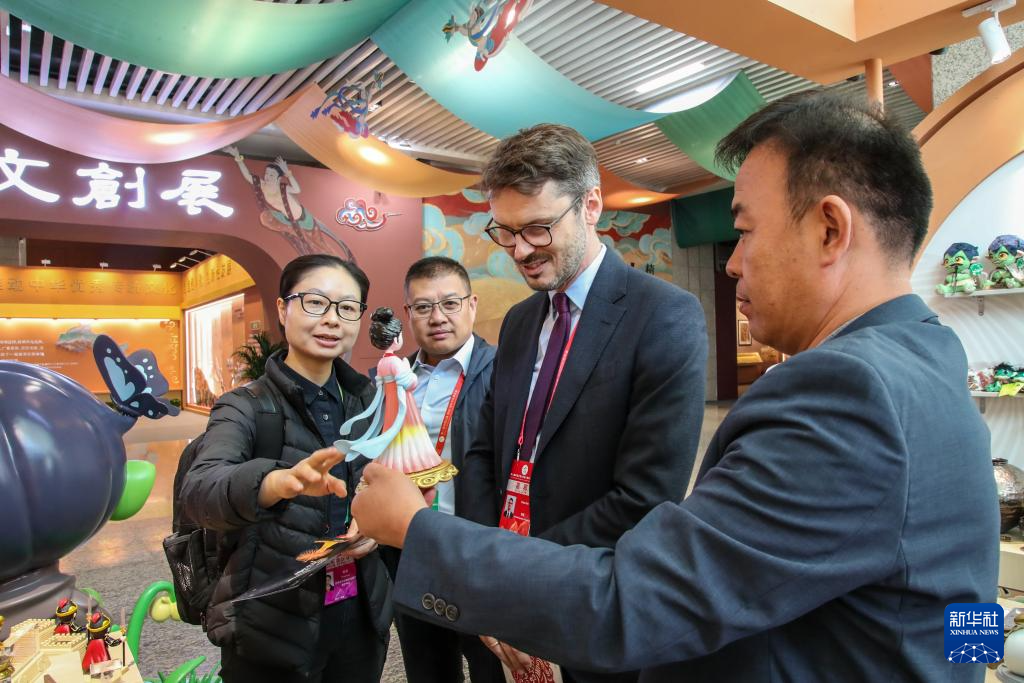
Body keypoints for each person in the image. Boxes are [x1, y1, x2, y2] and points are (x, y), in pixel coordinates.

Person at [351, 91, 999, 682]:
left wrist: (419, 530)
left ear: (829, 229)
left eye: (743, 230)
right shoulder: (927, 353)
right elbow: (960, 605)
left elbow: (639, 599)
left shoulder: (847, 391)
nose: (732, 262)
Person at [440, 123, 708, 683]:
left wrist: (518, 572)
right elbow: (485, 451)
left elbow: (644, 496)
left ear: (590, 206)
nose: (519, 251)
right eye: (505, 231)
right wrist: (487, 564)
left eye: (538, 228)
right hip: (502, 581)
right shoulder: (519, 321)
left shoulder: (663, 316)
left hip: (587, 590)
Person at [181, 254, 391, 683]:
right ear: (282, 309)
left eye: (347, 307)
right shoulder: (244, 406)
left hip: (358, 612)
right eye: (315, 302)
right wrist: (276, 482)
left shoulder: (369, 400)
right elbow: (200, 491)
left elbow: (382, 482)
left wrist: (375, 527)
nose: (331, 319)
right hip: (270, 619)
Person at [380, 256, 499, 683]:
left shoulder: (505, 372)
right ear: (407, 313)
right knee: (427, 667)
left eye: (450, 303)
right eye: (423, 307)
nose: (438, 317)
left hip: (479, 551)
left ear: (472, 305)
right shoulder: (395, 378)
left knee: (491, 665)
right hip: (413, 550)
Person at [223, 145, 356, 262]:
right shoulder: (262, 185)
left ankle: (338, 261)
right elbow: (247, 175)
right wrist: (237, 157)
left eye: (271, 175)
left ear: (278, 178)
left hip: (303, 219)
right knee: (266, 217)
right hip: (286, 220)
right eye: (267, 174)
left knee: (318, 245)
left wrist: (288, 173)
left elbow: (297, 189)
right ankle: (292, 232)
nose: (267, 177)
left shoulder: (283, 187)